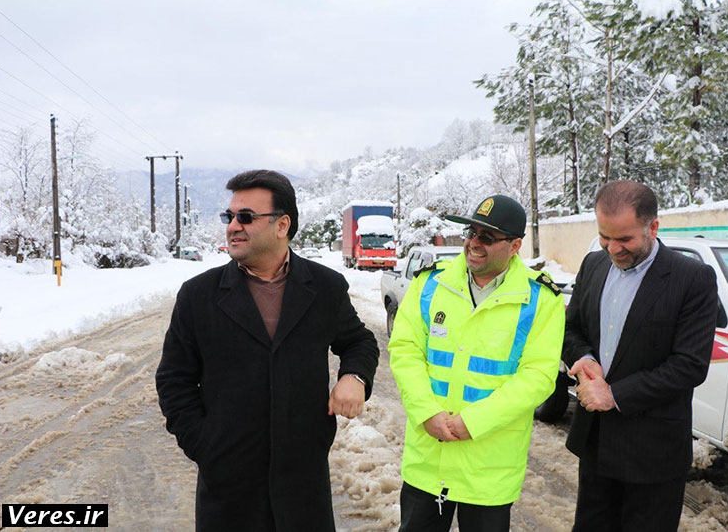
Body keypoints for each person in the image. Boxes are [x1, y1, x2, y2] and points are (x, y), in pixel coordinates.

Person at [155, 170, 379, 531]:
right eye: (229, 216)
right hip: (228, 491)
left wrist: (354, 376)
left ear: (282, 225)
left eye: (246, 217)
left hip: (304, 485)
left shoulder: (325, 287)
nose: (233, 227)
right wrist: (205, 446)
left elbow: (359, 341)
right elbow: (173, 380)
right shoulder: (198, 296)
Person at [389, 194, 565, 532]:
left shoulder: (540, 300)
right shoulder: (430, 284)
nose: (473, 243)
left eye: (487, 236)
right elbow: (405, 350)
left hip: (488, 469)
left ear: (515, 246)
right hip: (428, 460)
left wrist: (473, 422)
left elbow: (538, 376)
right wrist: (427, 413)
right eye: (471, 232)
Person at [563, 180, 718, 532]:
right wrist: (584, 358)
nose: (613, 249)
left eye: (624, 239)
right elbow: (571, 330)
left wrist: (613, 394)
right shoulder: (593, 264)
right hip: (596, 442)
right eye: (604, 236)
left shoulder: (692, 278)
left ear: (653, 227)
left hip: (653, 453)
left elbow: (689, 365)